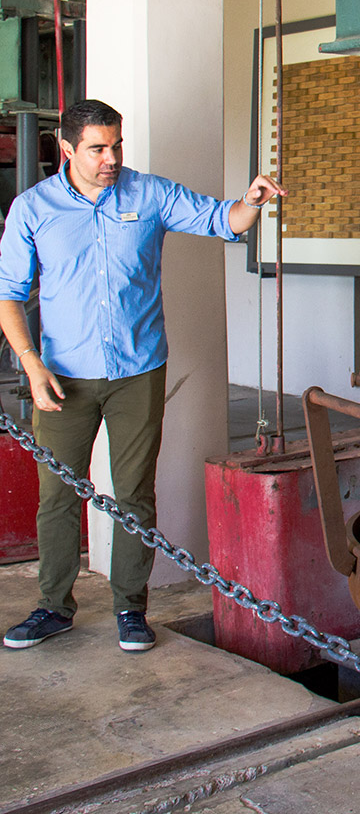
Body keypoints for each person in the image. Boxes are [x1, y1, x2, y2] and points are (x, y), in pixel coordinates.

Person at [0, 99, 285, 652]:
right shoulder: (33, 209)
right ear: (67, 150)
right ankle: (52, 607)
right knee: (58, 496)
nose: (111, 158)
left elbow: (220, 219)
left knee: (133, 493)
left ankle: (131, 608)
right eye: (97, 149)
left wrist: (251, 201)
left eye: (116, 145)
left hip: (138, 371)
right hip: (62, 379)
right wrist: (31, 366)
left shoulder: (148, 194)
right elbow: (8, 296)